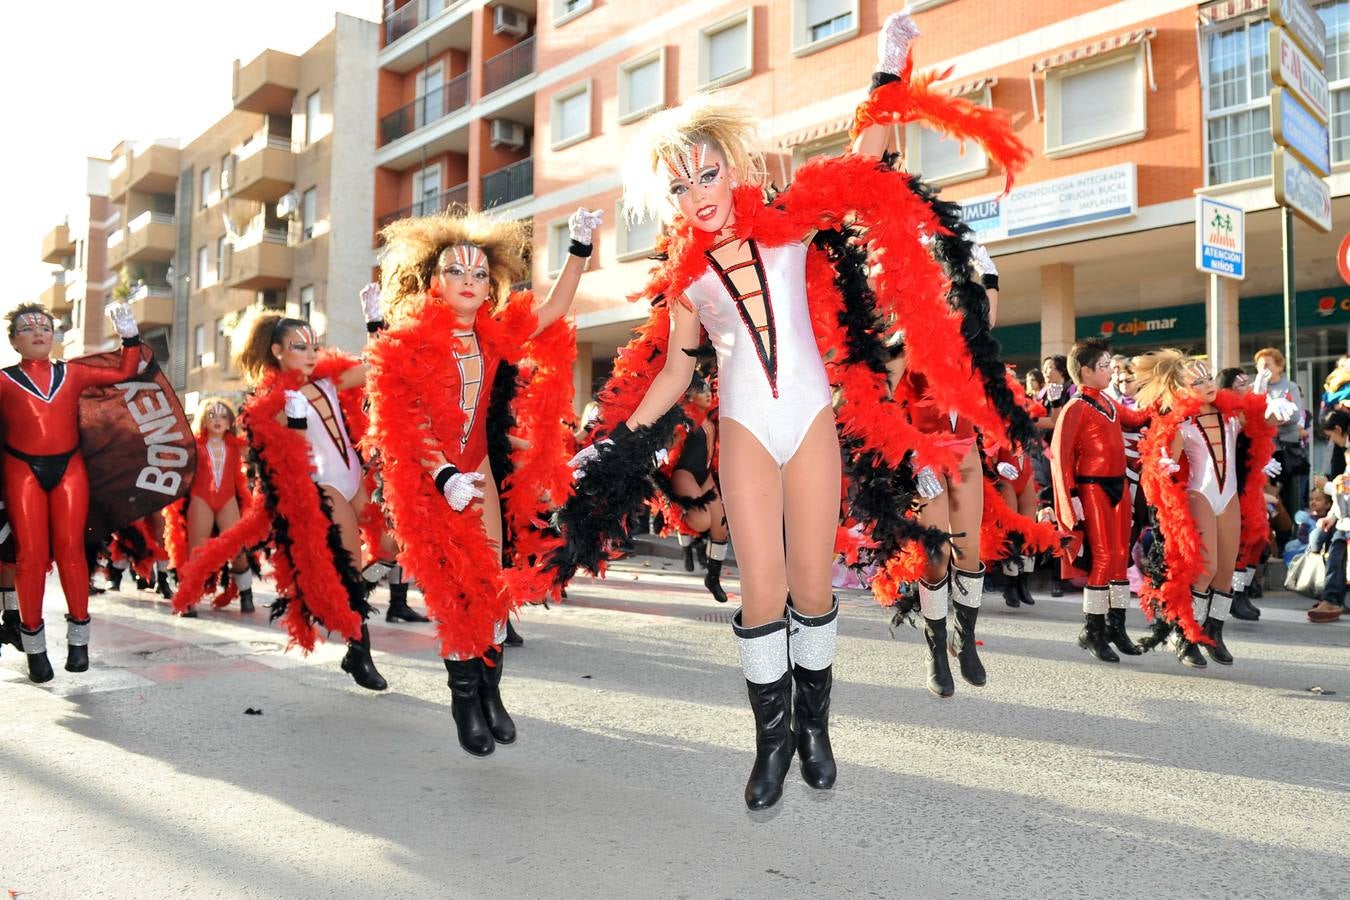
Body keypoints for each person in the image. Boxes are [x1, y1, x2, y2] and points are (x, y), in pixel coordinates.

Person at [556, 11, 1032, 808]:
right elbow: (675, 372)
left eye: (706, 175)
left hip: (810, 423)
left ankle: (815, 725)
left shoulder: (791, 228)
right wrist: (607, 445)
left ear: (734, 168)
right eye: (678, 185)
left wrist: (889, 67)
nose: (696, 195)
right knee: (761, 592)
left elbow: (866, 160)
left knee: (814, 588)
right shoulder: (687, 281)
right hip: (744, 432)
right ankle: (769, 743)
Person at [366, 206, 593, 756]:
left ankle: (491, 693)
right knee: (452, 594)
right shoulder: (408, 341)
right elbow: (404, 416)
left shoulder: (494, 336)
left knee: (491, 586)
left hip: (482, 477)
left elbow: (555, 308)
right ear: (433, 282)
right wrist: (443, 474)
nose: (469, 281)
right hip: (428, 485)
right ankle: (464, 700)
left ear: (490, 285)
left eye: (479, 274)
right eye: (456, 272)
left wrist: (579, 251)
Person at [220, 311, 387, 690]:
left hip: (354, 480)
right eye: (299, 347)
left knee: (391, 547)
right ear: (277, 351)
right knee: (351, 562)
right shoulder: (269, 405)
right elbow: (281, 467)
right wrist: (292, 423)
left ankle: (345, 599)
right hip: (325, 488)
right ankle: (359, 651)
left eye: (313, 345)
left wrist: (375, 323)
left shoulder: (328, 379)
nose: (310, 353)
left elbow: (379, 363)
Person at [1, 301, 144, 681]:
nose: (38, 332)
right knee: (30, 557)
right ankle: (35, 651)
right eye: (28, 328)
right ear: (14, 341)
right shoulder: (4, 380)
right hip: (21, 469)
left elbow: (126, 370)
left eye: (45, 326)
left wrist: (130, 336)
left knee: (71, 552)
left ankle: (79, 642)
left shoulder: (73, 372)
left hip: (70, 468)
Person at [1133, 350, 1278, 669]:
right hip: (1201, 495)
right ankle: (1187, 634)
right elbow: (1159, 463)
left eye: (1209, 377)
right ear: (1182, 390)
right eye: (1197, 381)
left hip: (1228, 498)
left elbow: (1260, 424)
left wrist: (1268, 396)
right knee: (1206, 568)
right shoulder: (1181, 422)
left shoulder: (1230, 413)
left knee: (1226, 570)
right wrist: (1165, 464)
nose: (1208, 384)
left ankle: (1214, 632)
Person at [1050, 339, 1151, 662]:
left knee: (1121, 556)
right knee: (1104, 558)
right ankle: (1092, 631)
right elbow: (1060, 457)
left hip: (1119, 486)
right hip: (1091, 488)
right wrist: (1072, 499)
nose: (1111, 371)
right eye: (1105, 366)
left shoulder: (1107, 401)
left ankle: (1115, 627)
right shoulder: (1075, 407)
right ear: (1086, 371)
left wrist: (1167, 400)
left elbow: (1136, 420)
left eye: (1110, 365)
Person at [168, 399, 256, 614]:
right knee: (196, 552)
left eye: (223, 416)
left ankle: (245, 592)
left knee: (236, 548)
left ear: (229, 422)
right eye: (212, 415)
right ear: (203, 420)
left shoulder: (237, 446)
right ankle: (188, 598)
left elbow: (263, 445)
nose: (217, 420)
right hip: (201, 500)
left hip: (228, 501)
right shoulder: (193, 446)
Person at [654, 373, 731, 603]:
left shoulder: (713, 418)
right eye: (701, 390)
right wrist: (655, 457)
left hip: (704, 475)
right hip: (684, 473)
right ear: (689, 395)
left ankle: (713, 578)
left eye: (708, 389)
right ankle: (674, 514)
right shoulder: (685, 419)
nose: (707, 394)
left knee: (721, 529)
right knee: (702, 520)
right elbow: (670, 443)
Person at [1254, 348, 1307, 543]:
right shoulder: (1257, 386)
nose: (1263, 369)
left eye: (1267, 364)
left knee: (1288, 494)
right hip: (1263, 450)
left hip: (1285, 449)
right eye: (1259, 366)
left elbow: (1295, 415)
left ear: (1279, 366)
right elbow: (1252, 416)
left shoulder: (1289, 386)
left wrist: (1271, 419)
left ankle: (1290, 535)